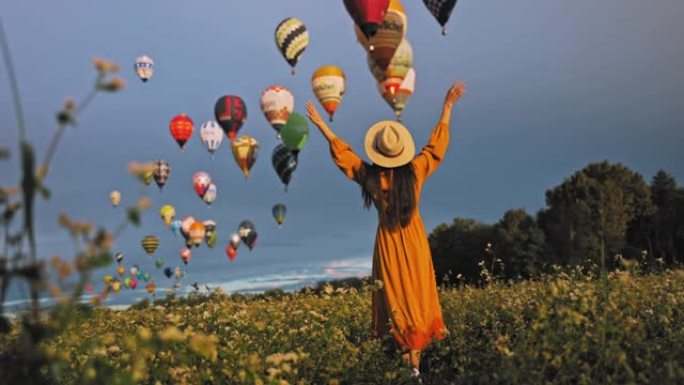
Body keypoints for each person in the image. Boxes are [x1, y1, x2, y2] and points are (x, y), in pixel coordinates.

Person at [306, 81, 467, 377]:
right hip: (415, 241)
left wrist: (322, 126)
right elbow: (436, 149)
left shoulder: (370, 177)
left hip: (388, 245)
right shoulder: (415, 173)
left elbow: (346, 157)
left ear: (379, 152)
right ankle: (415, 368)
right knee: (416, 299)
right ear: (402, 151)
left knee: (397, 301)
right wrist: (447, 107)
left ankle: (411, 369)